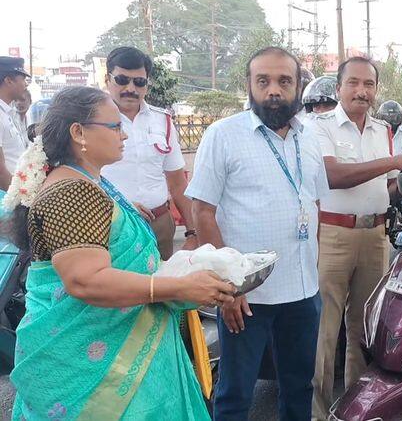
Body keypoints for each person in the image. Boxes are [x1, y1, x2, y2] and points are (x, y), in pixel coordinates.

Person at [5, 86, 235, 420]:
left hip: (113, 346)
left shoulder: (91, 182)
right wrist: (178, 288)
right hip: (89, 367)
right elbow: (86, 281)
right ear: (78, 132)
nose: (124, 134)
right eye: (114, 127)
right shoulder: (71, 193)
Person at [186, 47, 328, 420]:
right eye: (263, 81)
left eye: (284, 81)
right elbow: (202, 211)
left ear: (298, 86)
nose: (274, 91)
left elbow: (315, 205)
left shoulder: (310, 137)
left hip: (303, 292)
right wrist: (227, 288)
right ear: (249, 85)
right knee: (235, 394)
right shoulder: (223, 135)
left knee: (299, 388)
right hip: (247, 295)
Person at [312, 56, 402, 420]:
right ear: (339, 88)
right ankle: (316, 414)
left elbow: (389, 185)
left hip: (376, 234)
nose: (361, 91)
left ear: (376, 90)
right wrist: (395, 163)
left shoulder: (383, 131)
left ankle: (357, 409)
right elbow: (334, 176)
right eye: (354, 83)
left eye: (369, 85)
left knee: (364, 331)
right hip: (333, 235)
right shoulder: (320, 127)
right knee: (324, 333)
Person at [100, 47, 196, 260]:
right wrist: (115, 209)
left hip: (159, 224)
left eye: (139, 82)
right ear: (108, 79)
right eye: (122, 80)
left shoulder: (162, 121)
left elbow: (178, 183)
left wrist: (193, 232)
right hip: (110, 226)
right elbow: (78, 176)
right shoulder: (90, 122)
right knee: (118, 290)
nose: (130, 88)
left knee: (161, 290)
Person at [0, 57, 30, 190]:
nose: (25, 84)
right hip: (8, 198)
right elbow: (1, 173)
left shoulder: (6, 112)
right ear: (8, 81)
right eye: (23, 79)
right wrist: (20, 198)